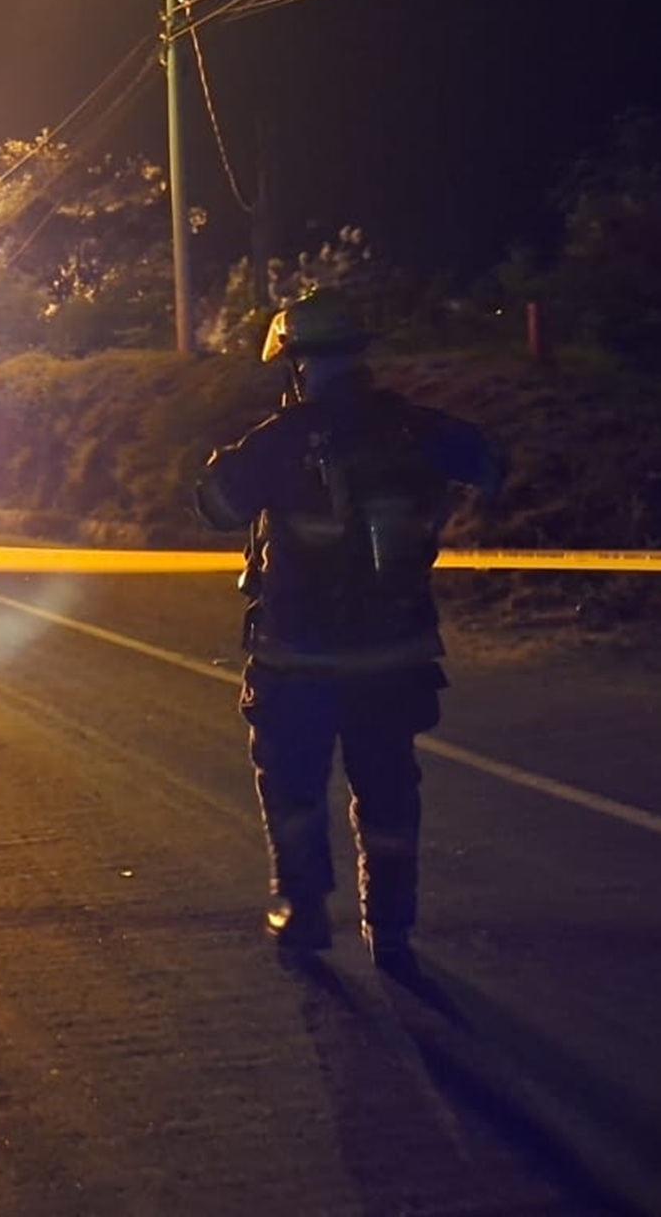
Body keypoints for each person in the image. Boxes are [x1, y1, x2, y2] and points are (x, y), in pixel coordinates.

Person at [194, 289, 504, 971]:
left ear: (296, 364)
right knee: (389, 790)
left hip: (297, 656)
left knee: (295, 790)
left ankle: (303, 911)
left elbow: (215, 503)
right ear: (360, 355)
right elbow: (489, 464)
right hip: (395, 653)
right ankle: (391, 925)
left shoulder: (283, 440)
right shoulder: (415, 429)